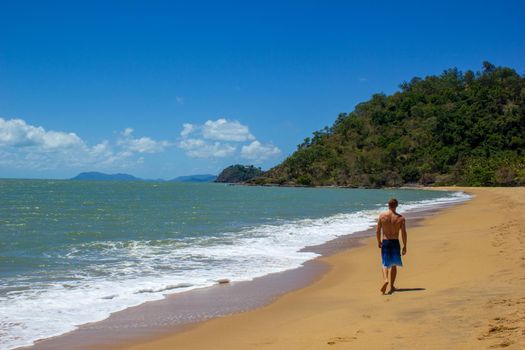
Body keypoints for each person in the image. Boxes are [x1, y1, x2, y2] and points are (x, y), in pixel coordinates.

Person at [376, 198, 407, 294]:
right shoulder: (400, 218)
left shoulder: (382, 216)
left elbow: (377, 231)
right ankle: (392, 286)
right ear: (397, 205)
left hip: (385, 241)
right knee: (394, 265)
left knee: (384, 263)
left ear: (388, 205)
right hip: (395, 242)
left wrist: (378, 241)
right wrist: (405, 246)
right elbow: (404, 233)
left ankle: (385, 279)